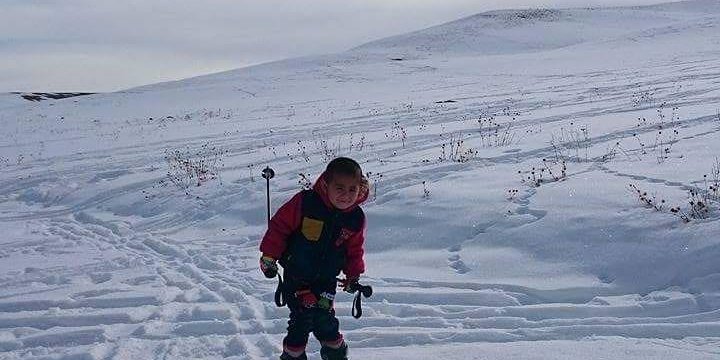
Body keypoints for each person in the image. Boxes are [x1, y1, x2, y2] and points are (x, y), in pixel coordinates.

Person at [259, 157, 369, 360]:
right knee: (301, 320)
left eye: (352, 189)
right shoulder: (306, 203)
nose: (346, 195)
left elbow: (354, 249)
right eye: (340, 188)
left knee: (325, 319)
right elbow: (279, 227)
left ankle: (335, 353)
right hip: (297, 276)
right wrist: (269, 256)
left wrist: (353, 274)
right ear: (326, 184)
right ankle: (293, 355)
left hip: (326, 279)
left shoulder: (355, 218)